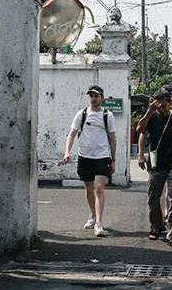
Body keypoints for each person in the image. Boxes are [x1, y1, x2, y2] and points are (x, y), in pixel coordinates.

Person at [136, 86, 172, 247]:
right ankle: (156, 226)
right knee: (154, 199)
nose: (162, 108)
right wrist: (149, 111)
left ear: (170, 102)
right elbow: (140, 129)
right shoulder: (152, 117)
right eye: (159, 105)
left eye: (165, 104)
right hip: (156, 165)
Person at [63, 84, 117, 237]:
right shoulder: (82, 114)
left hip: (102, 156)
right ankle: (92, 215)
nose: (93, 99)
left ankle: (99, 223)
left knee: (99, 188)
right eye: (91, 96)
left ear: (102, 98)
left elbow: (112, 139)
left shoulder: (108, 115)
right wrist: (67, 152)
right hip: (85, 156)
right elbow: (72, 134)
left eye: (96, 96)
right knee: (88, 189)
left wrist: (113, 159)